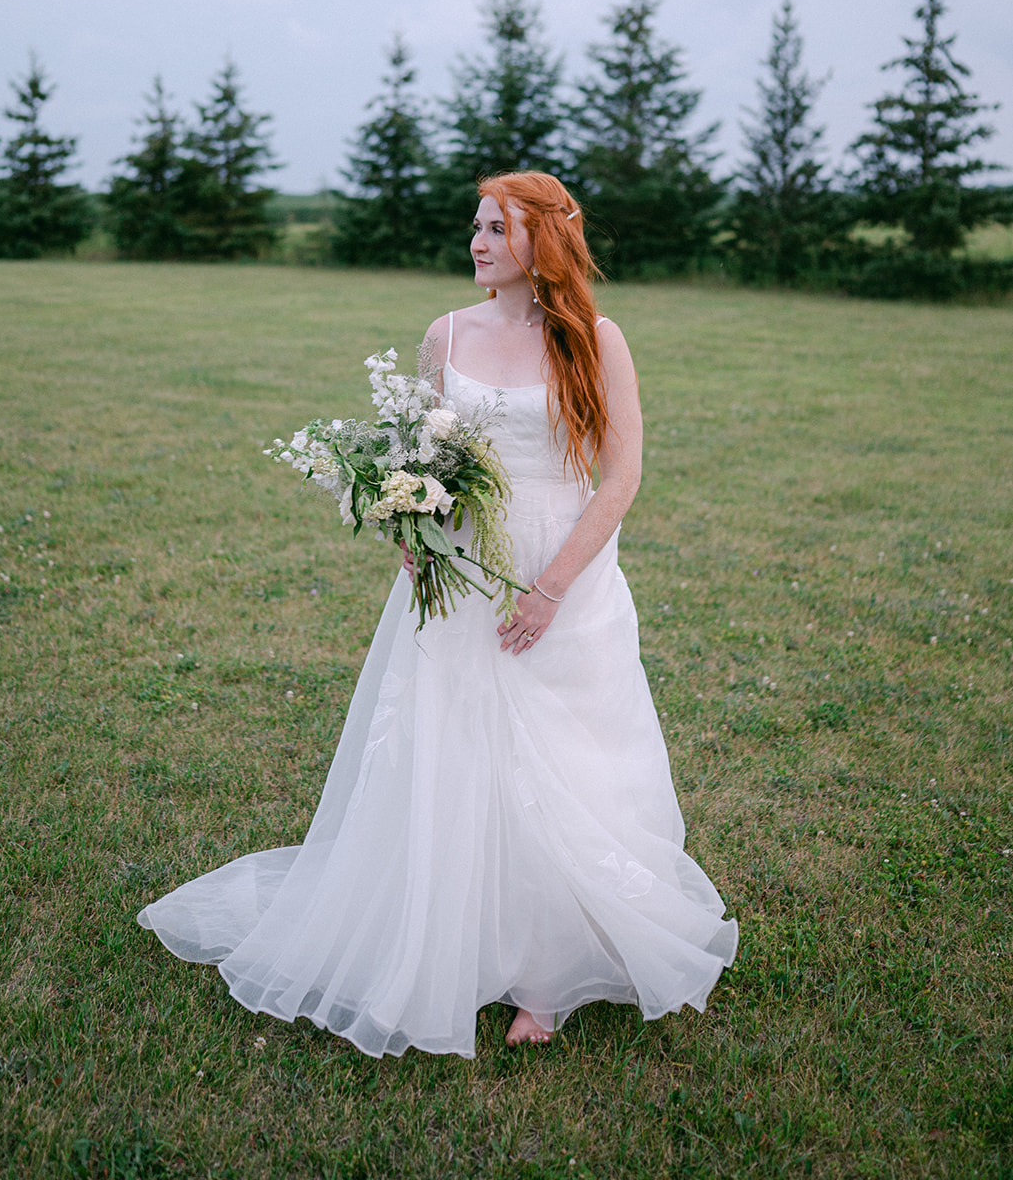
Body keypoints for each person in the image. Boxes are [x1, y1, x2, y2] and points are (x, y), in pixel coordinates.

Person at [138, 171, 738, 1056]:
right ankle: (447, 939)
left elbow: (620, 478)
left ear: (545, 240)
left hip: (560, 567)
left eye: (498, 228)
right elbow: (418, 457)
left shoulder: (596, 339)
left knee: (565, 757)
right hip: (457, 571)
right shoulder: (443, 334)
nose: (478, 242)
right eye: (476, 227)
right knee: (451, 746)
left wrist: (549, 589)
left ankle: (551, 973)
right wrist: (407, 522)